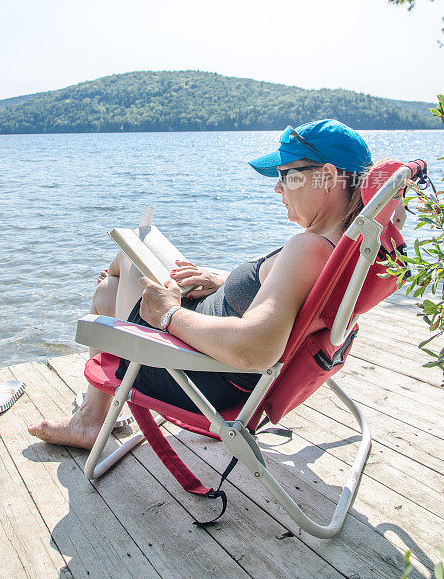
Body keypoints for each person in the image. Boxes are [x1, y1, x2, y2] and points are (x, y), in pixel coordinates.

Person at [28, 119, 372, 448]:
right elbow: (284, 293)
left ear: (327, 177)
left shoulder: (309, 248)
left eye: (286, 175)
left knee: (130, 252)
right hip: (213, 361)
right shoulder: (341, 248)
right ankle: (92, 416)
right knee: (108, 292)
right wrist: (221, 281)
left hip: (198, 375)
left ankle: (90, 417)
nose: (277, 186)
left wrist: (168, 314)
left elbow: (255, 349)